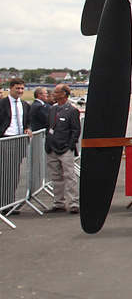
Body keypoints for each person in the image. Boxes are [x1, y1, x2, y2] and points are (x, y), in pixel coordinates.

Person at [46, 85, 82, 214]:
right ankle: (59, 202)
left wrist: (70, 145)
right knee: (56, 177)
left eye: (56, 92)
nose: (53, 94)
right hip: (52, 148)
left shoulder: (72, 111)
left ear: (63, 94)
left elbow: (75, 130)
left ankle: (74, 203)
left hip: (65, 148)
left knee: (70, 176)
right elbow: (48, 127)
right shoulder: (51, 110)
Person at [2, 78, 31, 205]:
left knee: (15, 173)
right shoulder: (2, 104)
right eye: (17, 88)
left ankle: (11, 200)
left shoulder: (24, 105)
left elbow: (28, 121)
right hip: (7, 139)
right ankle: (5, 201)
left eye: (22, 89)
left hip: (20, 141)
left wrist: (28, 129)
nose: (20, 91)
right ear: (10, 88)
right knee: (6, 172)